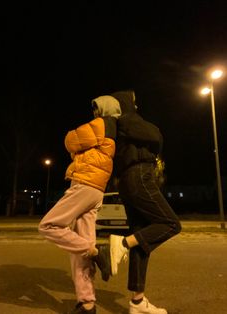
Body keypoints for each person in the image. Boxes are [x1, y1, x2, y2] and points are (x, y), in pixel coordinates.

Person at [38, 95, 121, 314]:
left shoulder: (102, 123)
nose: (93, 112)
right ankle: (87, 303)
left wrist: (75, 146)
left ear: (103, 109)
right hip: (97, 190)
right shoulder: (114, 130)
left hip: (85, 184)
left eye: (96, 108)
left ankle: (97, 252)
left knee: (48, 225)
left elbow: (71, 140)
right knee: (79, 249)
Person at [108, 90, 182, 314]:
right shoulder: (128, 119)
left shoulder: (118, 126)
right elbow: (156, 135)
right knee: (171, 224)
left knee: (140, 237)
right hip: (139, 175)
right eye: (134, 102)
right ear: (126, 104)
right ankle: (120, 244)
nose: (137, 106)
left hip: (127, 180)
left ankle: (137, 302)